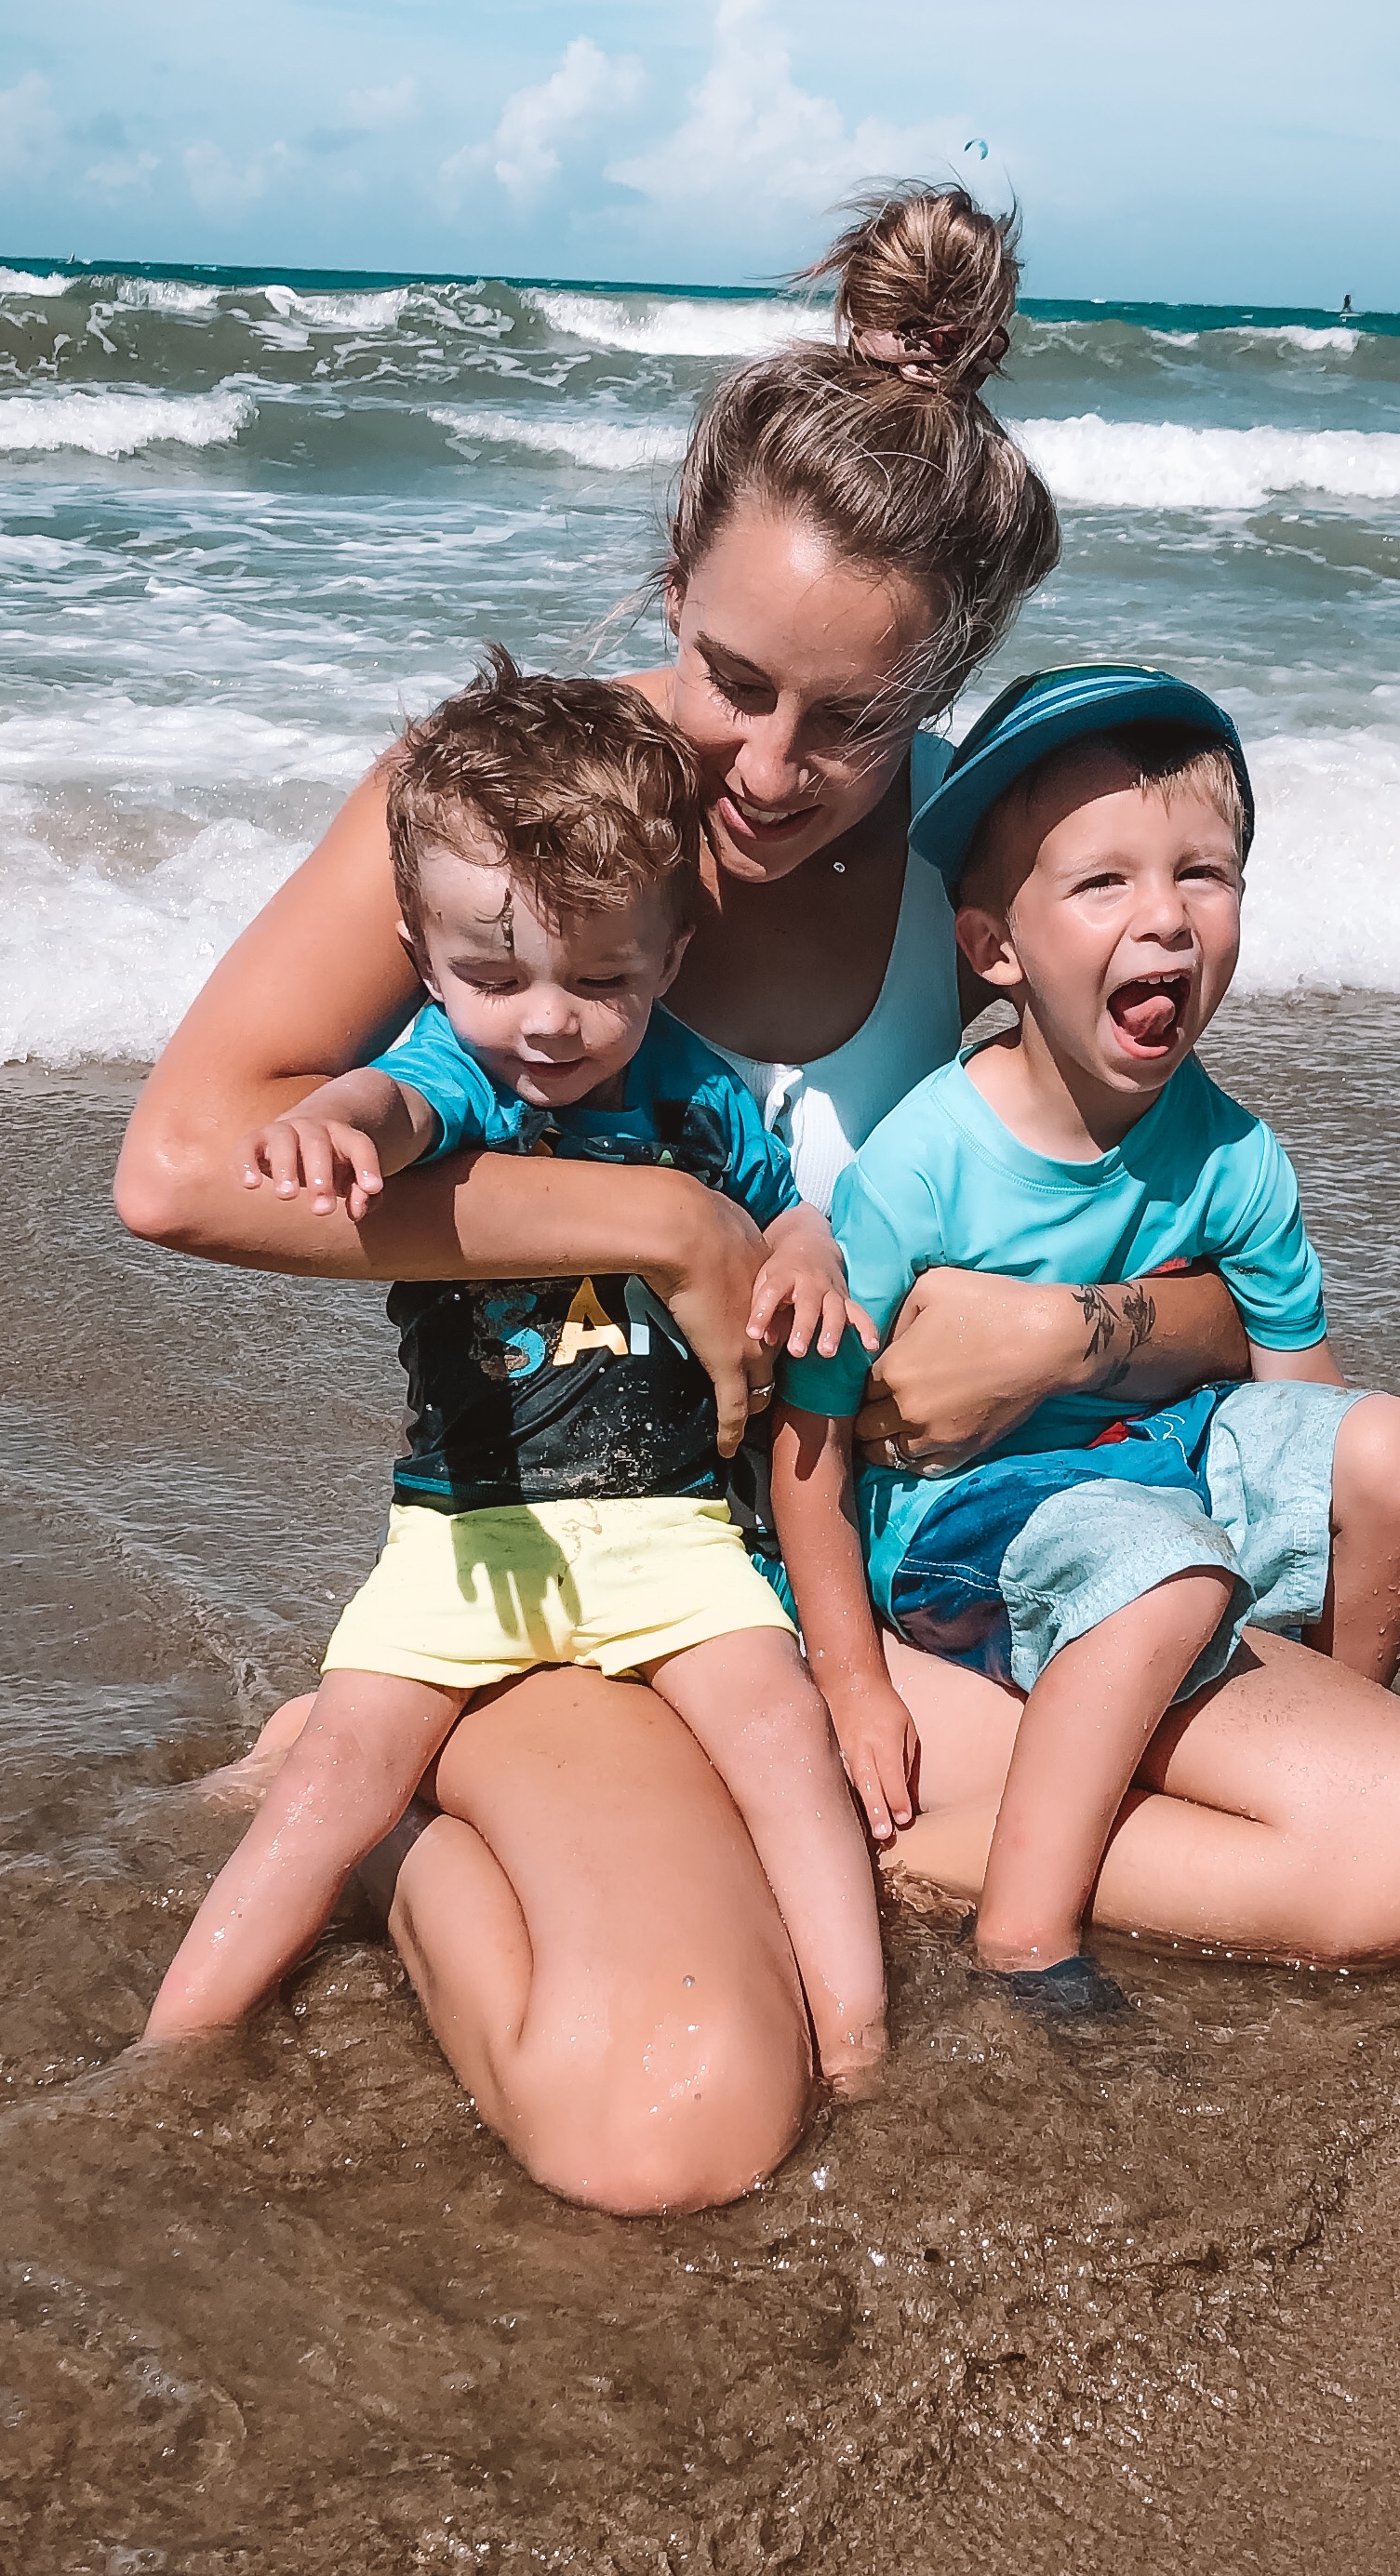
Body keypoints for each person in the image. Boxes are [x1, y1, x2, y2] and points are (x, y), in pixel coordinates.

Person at [115, 181, 1400, 2215]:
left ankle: (782, 1857)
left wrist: (1067, 1330)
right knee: (675, 2122)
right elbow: (179, 1169)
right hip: (578, 1569)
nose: (765, 769)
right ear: (671, 576)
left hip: (884, 1588)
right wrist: (666, 1228)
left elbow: (1216, 1262)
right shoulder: (507, 806)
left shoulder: (971, 861)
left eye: (852, 719)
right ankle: (397, 1808)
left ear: (942, 680)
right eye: (731, 676)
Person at [140, 655, 887, 2091]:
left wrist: (805, 1251)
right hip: (468, 1532)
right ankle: (177, 2042)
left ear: (672, 956)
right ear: (422, 954)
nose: (548, 1019)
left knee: (785, 1739)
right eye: (494, 975)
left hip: (673, 1528)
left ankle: (858, 2046)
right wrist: (334, 1120)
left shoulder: (693, 1089)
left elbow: (782, 1207)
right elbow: (400, 1104)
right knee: (337, 1776)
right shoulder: (457, 1070)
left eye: (603, 979)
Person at [770, 667, 1400, 2019]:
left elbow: (1301, 1409)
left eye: (1205, 874)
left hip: (1155, 1466)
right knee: (1154, 1565)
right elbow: (816, 1436)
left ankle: (1315, 1728)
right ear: (995, 949)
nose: (1166, 918)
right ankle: (1024, 1932)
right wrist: (850, 1680)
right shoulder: (923, 1165)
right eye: (1102, 884)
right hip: (963, 1521)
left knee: (1395, 1456)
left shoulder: (1236, 1155)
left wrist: (1327, 1499)